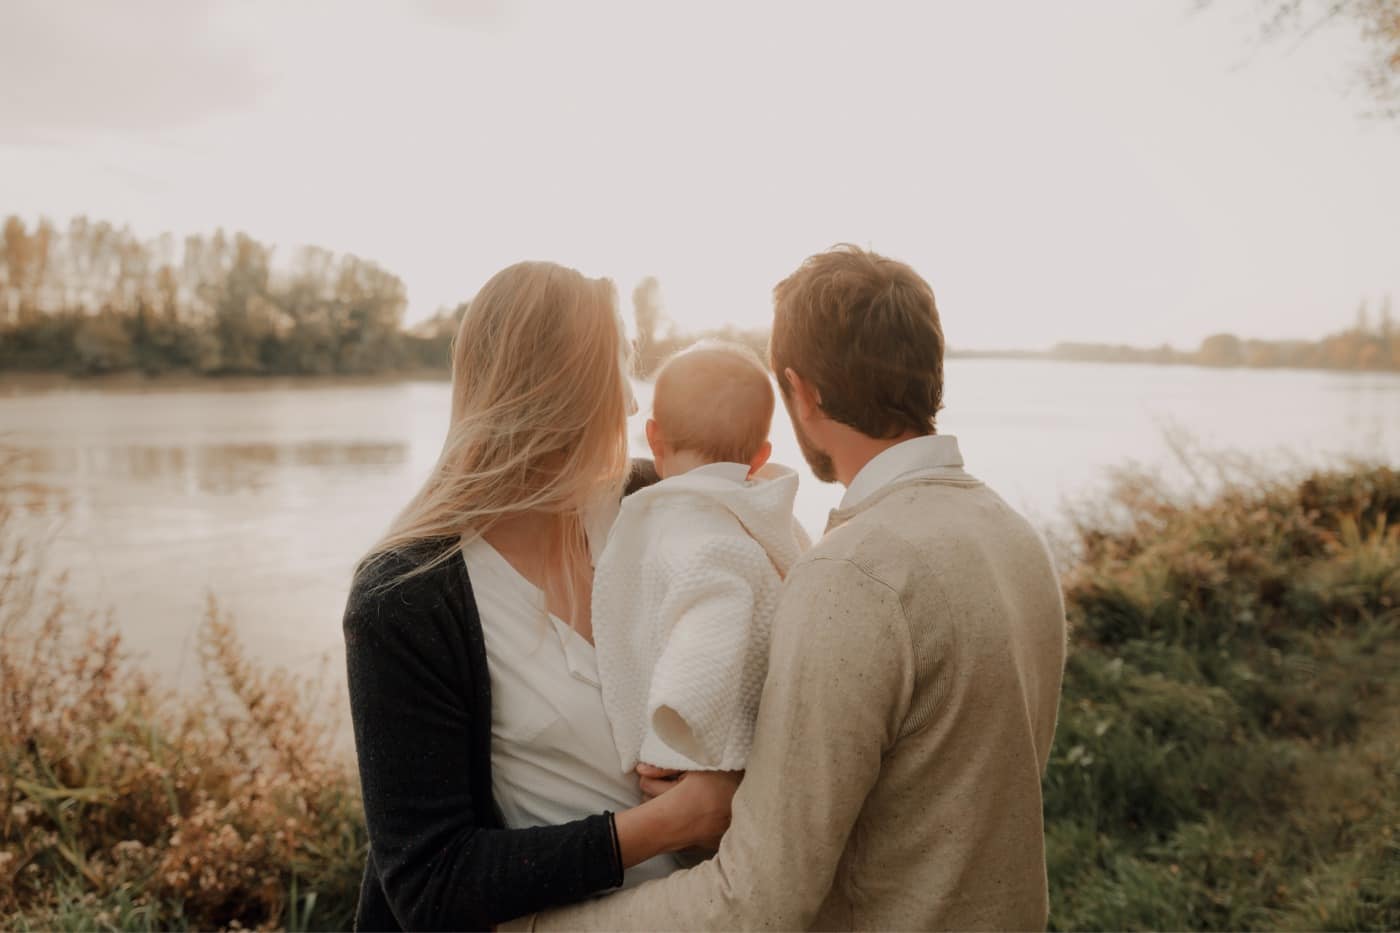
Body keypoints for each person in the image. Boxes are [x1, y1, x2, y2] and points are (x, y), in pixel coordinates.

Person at [507, 245, 1069, 931]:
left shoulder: (852, 575)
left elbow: (755, 898)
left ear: (803, 393)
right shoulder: (1016, 536)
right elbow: (928, 790)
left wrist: (535, 928)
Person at [341, 261, 739, 932]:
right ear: (563, 393)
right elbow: (430, 881)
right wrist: (668, 824)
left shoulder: (653, 505)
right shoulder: (405, 595)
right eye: (619, 369)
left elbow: (760, 547)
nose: (635, 404)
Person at [592, 342, 807, 777]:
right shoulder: (757, 517)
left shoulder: (700, 532)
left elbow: (712, 621)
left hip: (701, 749)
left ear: (653, 438)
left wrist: (674, 735)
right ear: (761, 457)